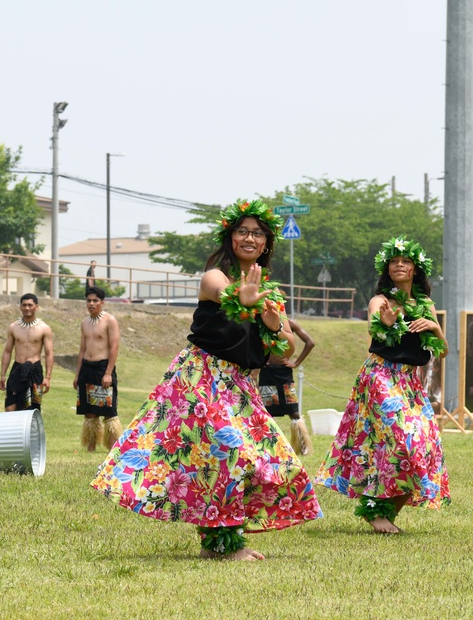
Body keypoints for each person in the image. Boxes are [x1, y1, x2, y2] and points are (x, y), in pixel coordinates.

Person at [92, 199, 322, 561]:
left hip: (240, 384)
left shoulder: (271, 295)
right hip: (201, 376)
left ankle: (224, 536)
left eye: (257, 233)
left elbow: (285, 347)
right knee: (229, 452)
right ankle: (222, 545)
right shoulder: (215, 275)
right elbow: (219, 293)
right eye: (242, 231)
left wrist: (273, 322)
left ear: (266, 243)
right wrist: (242, 298)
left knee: (269, 460)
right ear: (230, 238)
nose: (249, 237)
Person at [314, 236, 451, 534]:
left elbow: (442, 351)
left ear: (416, 269)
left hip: (410, 381)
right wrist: (389, 323)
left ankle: (381, 513)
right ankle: (374, 510)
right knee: (404, 439)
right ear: (387, 269)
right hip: (380, 375)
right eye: (393, 262)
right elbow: (374, 324)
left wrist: (435, 328)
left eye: (405, 261)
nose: (399, 265)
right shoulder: (381, 300)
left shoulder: (426, 304)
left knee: (425, 445)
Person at [255, 317, 315, 455]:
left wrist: (296, 363)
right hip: (267, 373)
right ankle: (269, 445)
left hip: (284, 373)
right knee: (268, 410)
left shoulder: (290, 323)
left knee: (293, 411)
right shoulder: (262, 323)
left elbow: (310, 342)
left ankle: (301, 445)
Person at [74, 286, 121, 452]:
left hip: (103, 368)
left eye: (95, 301)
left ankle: (113, 449)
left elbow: (114, 348)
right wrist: (77, 373)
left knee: (109, 411)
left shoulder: (110, 320)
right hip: (87, 367)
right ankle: (91, 448)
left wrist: (108, 372)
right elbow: (82, 349)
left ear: (102, 302)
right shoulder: (84, 323)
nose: (91, 304)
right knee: (89, 412)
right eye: (88, 300)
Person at [0, 293, 54, 412]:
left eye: (30, 305)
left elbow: (49, 353)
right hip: (17, 369)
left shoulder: (44, 328)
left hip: (34, 371)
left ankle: (30, 431)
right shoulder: (13, 327)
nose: (27, 308)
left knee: (32, 409)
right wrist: (3, 375)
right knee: (10, 408)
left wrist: (48, 377)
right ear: (20, 307)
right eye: (24, 305)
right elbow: (7, 351)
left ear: (36, 307)